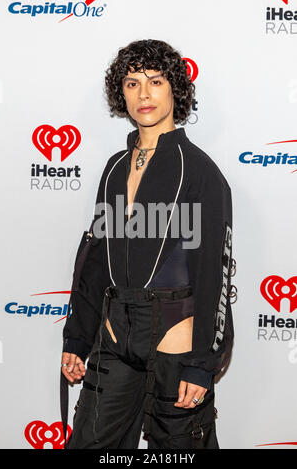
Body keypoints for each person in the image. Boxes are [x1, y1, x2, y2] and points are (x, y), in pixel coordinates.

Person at [60, 39, 235, 450]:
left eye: (155, 81)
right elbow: (95, 260)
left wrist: (201, 364)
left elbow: (215, 275)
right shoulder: (114, 168)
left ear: (175, 88)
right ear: (120, 93)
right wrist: (78, 338)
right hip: (114, 330)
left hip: (175, 334)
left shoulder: (201, 173)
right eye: (132, 82)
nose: (143, 94)